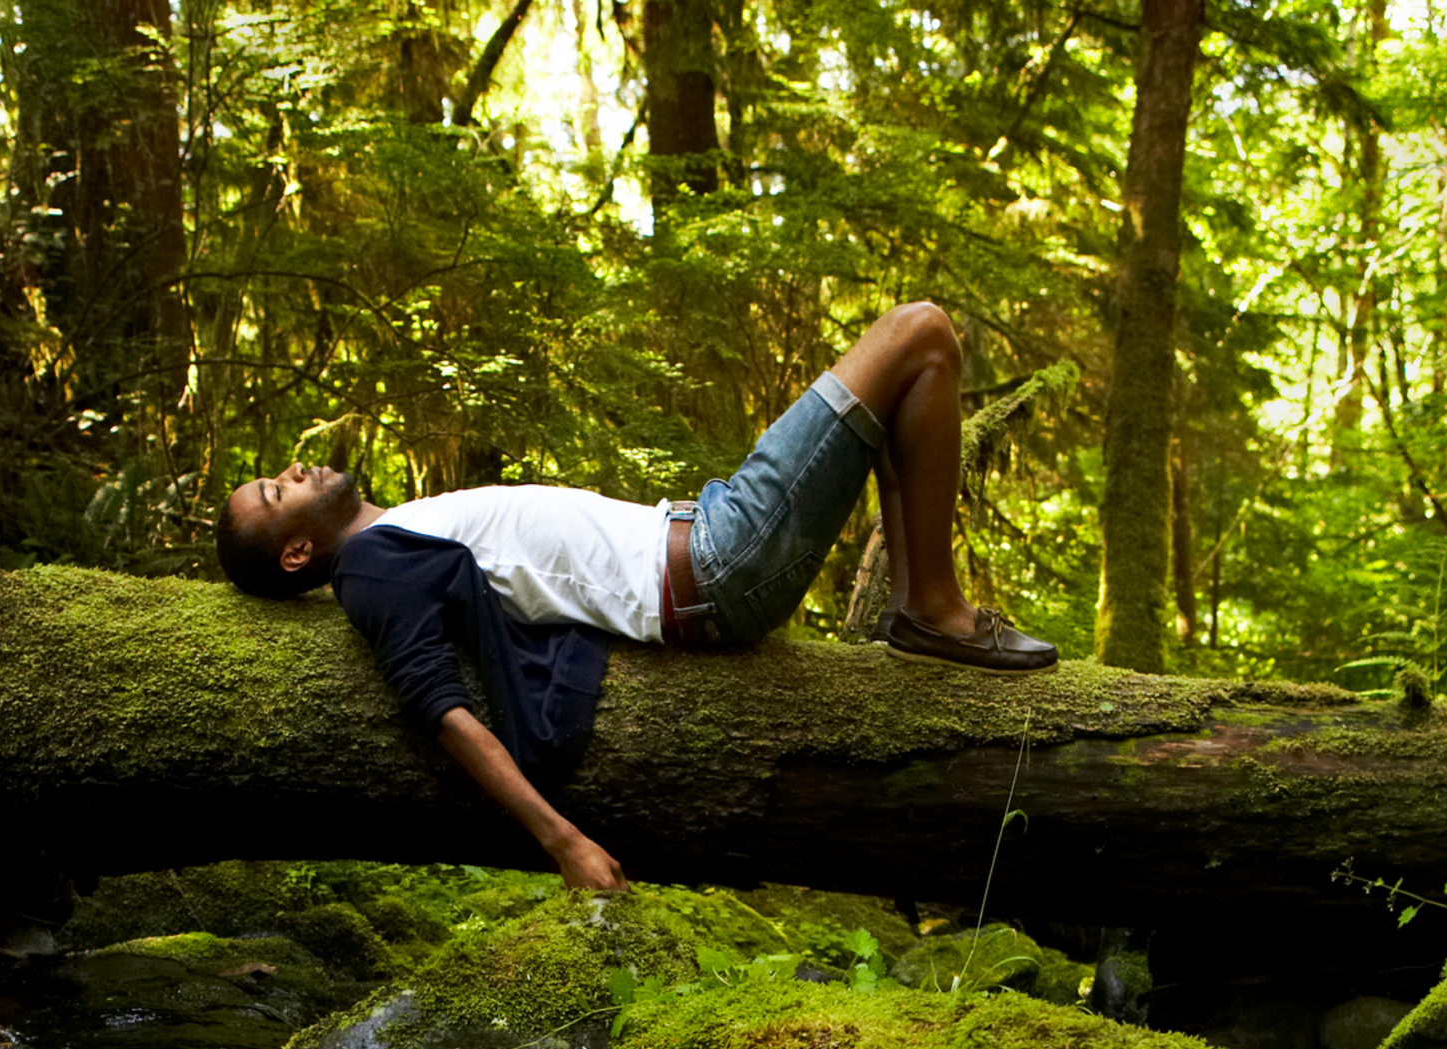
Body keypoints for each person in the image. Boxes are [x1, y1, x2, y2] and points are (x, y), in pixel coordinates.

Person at [215, 302, 1057, 891]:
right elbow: (443, 713)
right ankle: (936, 612)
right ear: (297, 551)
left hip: (713, 532)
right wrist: (563, 841)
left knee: (907, 380)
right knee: (921, 332)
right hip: (718, 566)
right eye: (275, 491)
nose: (293, 470)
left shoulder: (397, 529)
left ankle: (922, 603)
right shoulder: (372, 571)